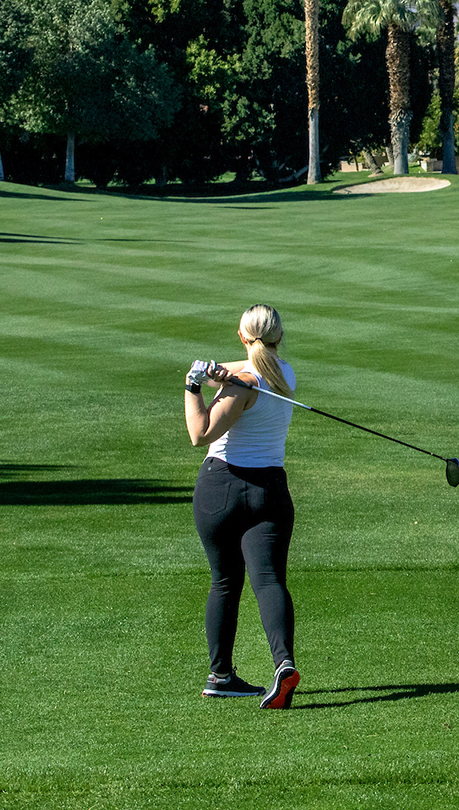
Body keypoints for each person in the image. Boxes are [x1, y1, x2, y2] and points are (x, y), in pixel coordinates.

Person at [183, 304, 303, 709]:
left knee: (224, 581)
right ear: (279, 338)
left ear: (241, 337)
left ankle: (220, 676)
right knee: (269, 581)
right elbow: (251, 367)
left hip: (221, 488)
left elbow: (200, 433)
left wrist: (194, 386)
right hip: (270, 491)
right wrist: (218, 372)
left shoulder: (241, 387)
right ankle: (284, 663)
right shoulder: (285, 374)